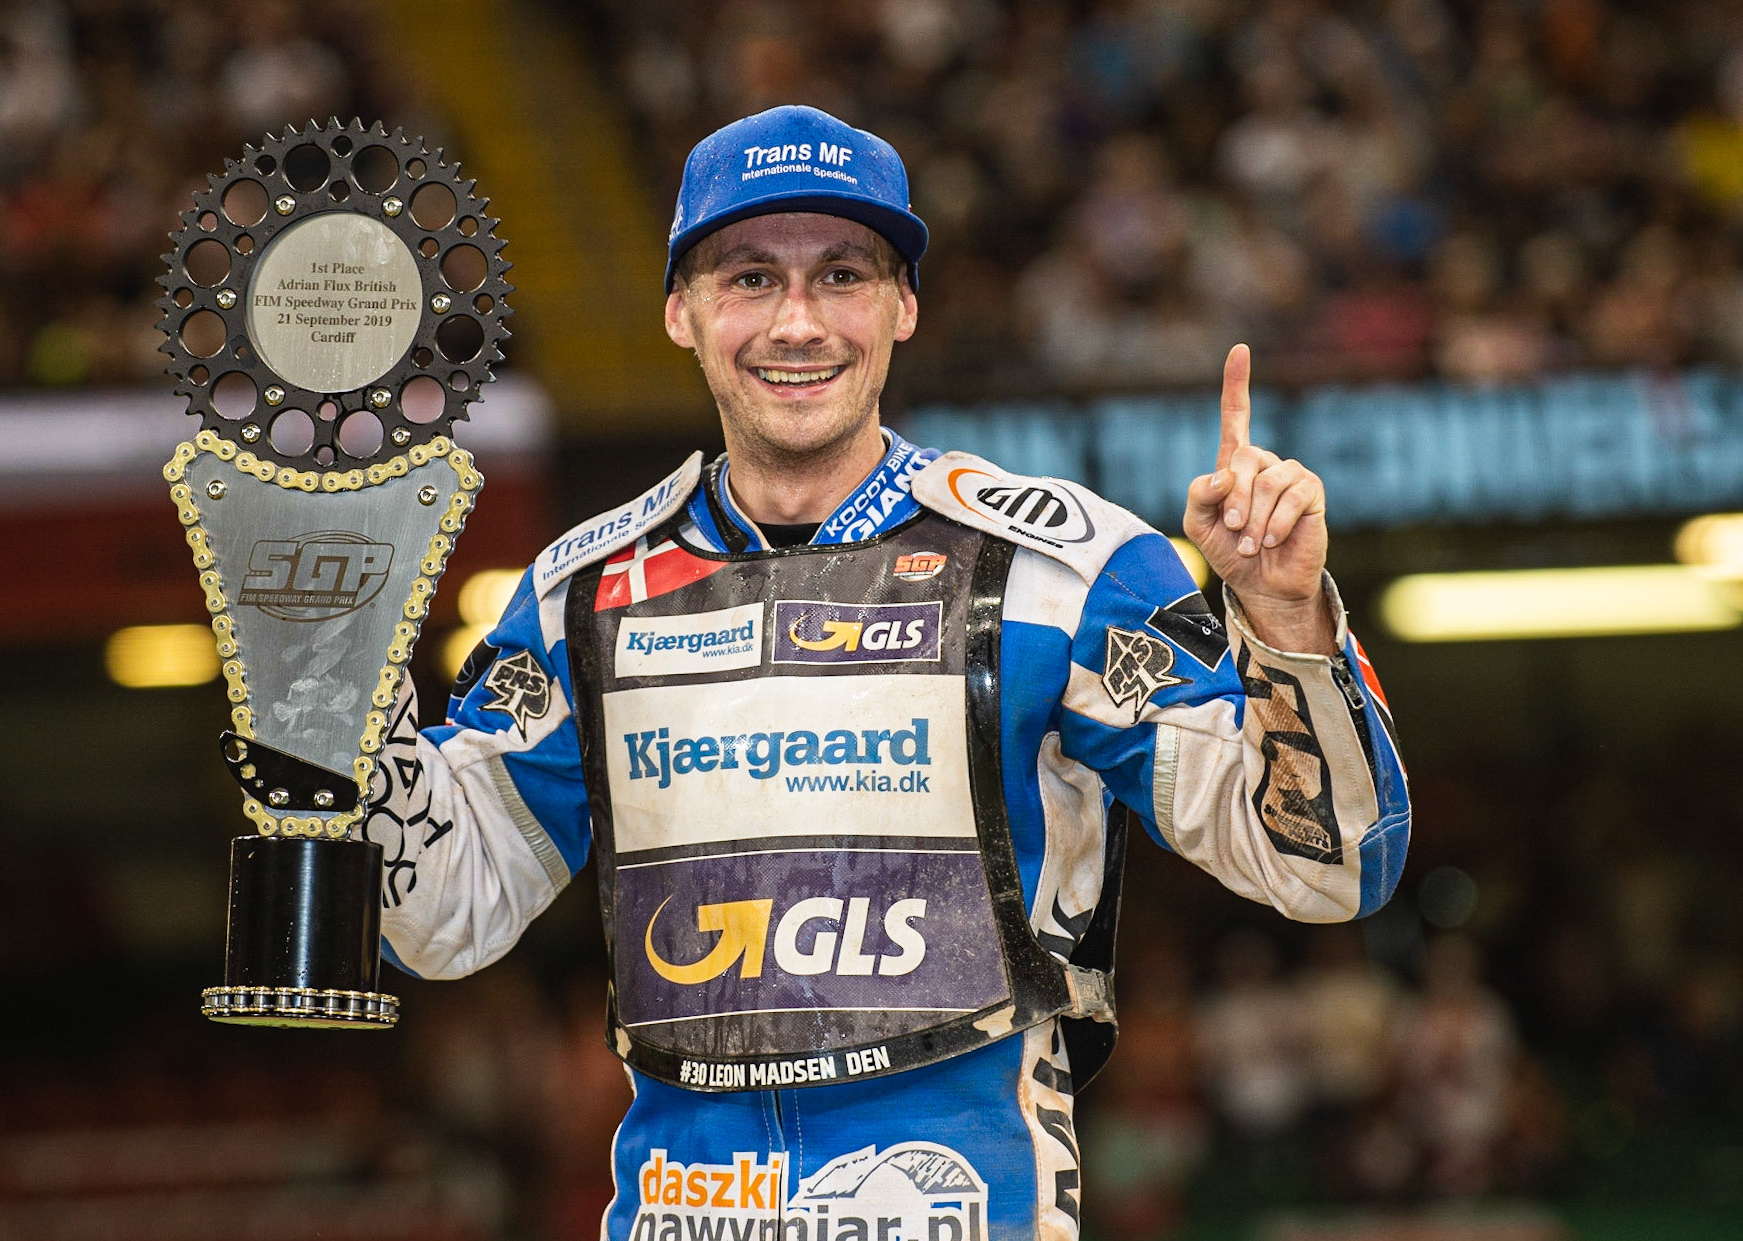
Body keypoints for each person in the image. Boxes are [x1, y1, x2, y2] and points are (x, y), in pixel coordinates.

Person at [364, 105, 1410, 1241]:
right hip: (679, 1211)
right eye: (750, 278)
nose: (798, 322)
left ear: (903, 305)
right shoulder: (580, 590)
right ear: (681, 312)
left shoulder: (1061, 569)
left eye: (844, 274)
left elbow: (1332, 868)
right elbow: (441, 914)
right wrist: (339, 710)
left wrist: (1282, 614)